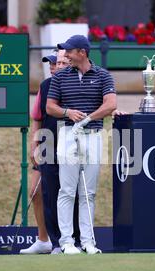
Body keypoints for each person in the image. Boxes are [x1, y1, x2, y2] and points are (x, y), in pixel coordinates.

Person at [47, 35, 117, 254]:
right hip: (68, 134)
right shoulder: (60, 77)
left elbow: (111, 104)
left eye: (69, 51)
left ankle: (88, 241)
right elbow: (50, 107)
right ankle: (66, 241)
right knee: (67, 190)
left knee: (88, 192)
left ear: (82, 53)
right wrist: (68, 112)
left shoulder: (103, 75)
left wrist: (87, 118)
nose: (65, 55)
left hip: (94, 134)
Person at [21, 49, 81, 254]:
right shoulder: (46, 86)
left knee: (66, 193)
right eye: (53, 65)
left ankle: (68, 240)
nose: (55, 68)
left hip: (70, 145)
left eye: (59, 64)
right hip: (47, 143)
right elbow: (38, 116)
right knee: (40, 191)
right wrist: (35, 143)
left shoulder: (75, 84)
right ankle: (46, 240)